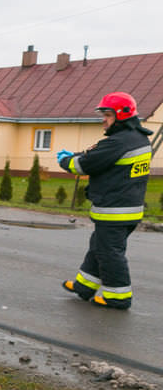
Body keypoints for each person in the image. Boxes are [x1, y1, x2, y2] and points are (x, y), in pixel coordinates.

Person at [58, 91, 153, 310]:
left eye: (107, 115)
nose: (103, 120)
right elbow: (99, 157)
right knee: (99, 247)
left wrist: (66, 161)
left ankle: (118, 297)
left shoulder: (119, 142)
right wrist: (77, 154)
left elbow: (84, 165)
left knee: (109, 252)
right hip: (127, 208)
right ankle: (84, 286)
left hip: (115, 209)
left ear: (121, 115)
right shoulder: (136, 138)